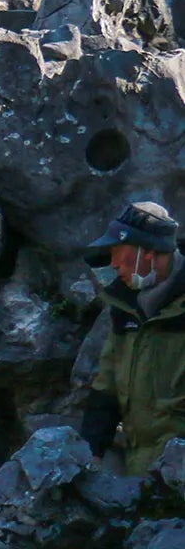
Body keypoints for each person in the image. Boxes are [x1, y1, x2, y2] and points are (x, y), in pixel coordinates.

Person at [80, 201, 185, 475]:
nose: (113, 264)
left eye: (119, 253)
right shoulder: (125, 306)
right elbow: (107, 387)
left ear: (148, 253)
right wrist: (89, 456)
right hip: (141, 471)